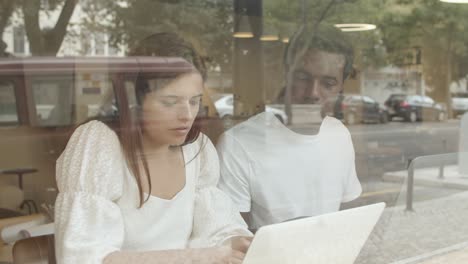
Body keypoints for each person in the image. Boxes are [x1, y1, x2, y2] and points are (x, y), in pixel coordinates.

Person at [54, 32, 252, 263]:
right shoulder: (99, 144)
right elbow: (85, 257)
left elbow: (217, 230)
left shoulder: (197, 149)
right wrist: (198, 258)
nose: (187, 116)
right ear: (134, 101)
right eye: (170, 102)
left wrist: (236, 243)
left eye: (194, 101)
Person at [217, 25, 362, 231]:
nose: (313, 93)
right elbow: (234, 238)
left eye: (328, 83)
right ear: (286, 74)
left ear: (341, 87)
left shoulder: (339, 134)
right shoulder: (238, 144)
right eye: (303, 77)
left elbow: (349, 217)